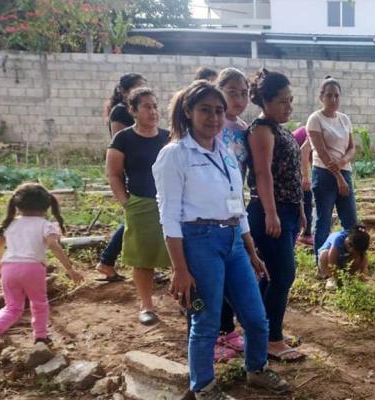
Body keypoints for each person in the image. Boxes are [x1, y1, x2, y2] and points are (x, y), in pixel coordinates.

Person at [153, 80, 290, 398]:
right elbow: (169, 215)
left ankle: (256, 369)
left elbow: (236, 204)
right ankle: (203, 386)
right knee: (206, 320)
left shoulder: (226, 153)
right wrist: (180, 269)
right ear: (188, 112)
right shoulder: (174, 155)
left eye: (218, 111)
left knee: (257, 317)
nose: (213, 118)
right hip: (198, 242)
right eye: (205, 111)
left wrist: (250, 249)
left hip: (233, 243)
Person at [245, 69, 307, 363]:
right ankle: (272, 339)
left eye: (291, 100)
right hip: (269, 211)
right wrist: (271, 213)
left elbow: (292, 174)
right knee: (282, 274)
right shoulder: (261, 130)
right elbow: (262, 173)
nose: (289, 106)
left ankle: (262, 331)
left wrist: (300, 210)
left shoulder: (278, 128)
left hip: (287, 211)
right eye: (283, 101)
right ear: (266, 101)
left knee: (271, 275)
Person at [0, 183, 84, 352]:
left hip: (8, 268)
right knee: (39, 304)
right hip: (33, 268)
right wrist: (70, 269)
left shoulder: (11, 224)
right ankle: (40, 336)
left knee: (12, 307)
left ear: (17, 205)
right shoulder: (45, 225)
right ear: (47, 205)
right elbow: (54, 246)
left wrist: (0, 268)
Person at [106, 87, 171, 326]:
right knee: (143, 258)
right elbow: (113, 174)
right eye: (146, 107)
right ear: (132, 110)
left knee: (180, 255)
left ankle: (185, 302)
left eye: (155, 106)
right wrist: (127, 203)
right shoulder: (123, 139)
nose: (153, 111)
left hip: (171, 204)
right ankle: (147, 305)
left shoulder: (169, 136)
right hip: (141, 204)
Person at [208, 67, 251, 360]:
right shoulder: (212, 126)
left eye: (244, 93)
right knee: (211, 277)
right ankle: (212, 335)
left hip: (236, 209)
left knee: (232, 273)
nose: (239, 98)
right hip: (209, 213)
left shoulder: (244, 127)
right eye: (232, 92)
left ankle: (227, 330)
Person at [96, 72, 147, 283]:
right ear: (125, 92)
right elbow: (120, 142)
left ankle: (108, 262)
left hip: (142, 170)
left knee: (137, 219)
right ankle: (108, 261)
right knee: (135, 218)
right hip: (131, 172)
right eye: (136, 88)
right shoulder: (119, 112)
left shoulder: (133, 112)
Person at [306, 76, 358, 258]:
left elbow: (352, 148)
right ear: (321, 97)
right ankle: (322, 262)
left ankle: (350, 260)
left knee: (351, 220)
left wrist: (343, 163)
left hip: (344, 171)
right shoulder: (315, 119)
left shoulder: (344, 119)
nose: (333, 100)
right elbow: (322, 153)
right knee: (323, 220)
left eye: (336, 96)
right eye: (329, 96)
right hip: (324, 174)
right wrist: (339, 178)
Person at [317, 224, 370, 291]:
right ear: (349, 243)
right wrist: (334, 274)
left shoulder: (359, 244)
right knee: (324, 254)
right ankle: (330, 278)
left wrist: (363, 273)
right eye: (353, 250)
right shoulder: (338, 239)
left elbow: (364, 259)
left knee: (359, 258)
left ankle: (348, 277)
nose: (352, 251)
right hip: (329, 260)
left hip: (342, 260)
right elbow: (331, 259)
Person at [294, 125, 315, 246]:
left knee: (305, 198)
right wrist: (305, 177)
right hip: (291, 164)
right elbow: (304, 151)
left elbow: (312, 159)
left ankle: (303, 232)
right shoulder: (313, 129)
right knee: (306, 197)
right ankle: (305, 234)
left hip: (295, 164)